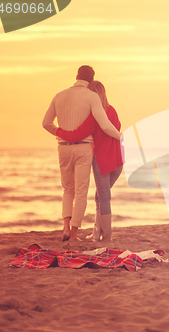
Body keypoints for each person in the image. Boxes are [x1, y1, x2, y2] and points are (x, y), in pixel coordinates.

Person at [42, 66, 121, 241]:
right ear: (92, 80)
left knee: (68, 189)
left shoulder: (59, 95)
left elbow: (46, 123)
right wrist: (121, 137)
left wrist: (60, 133)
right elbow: (106, 126)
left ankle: (65, 227)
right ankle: (75, 234)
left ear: (76, 76)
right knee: (82, 192)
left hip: (63, 146)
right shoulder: (92, 97)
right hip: (85, 148)